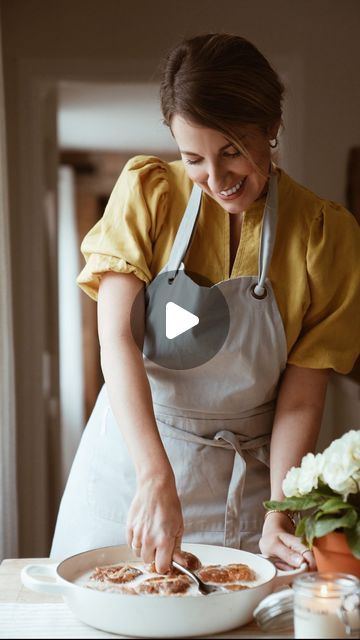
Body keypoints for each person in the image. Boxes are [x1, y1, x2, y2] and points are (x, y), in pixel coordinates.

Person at [50, 33, 360, 574]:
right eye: (194, 158)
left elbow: (302, 397)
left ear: (271, 128)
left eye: (233, 151)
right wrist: (154, 475)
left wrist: (280, 513)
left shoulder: (322, 233)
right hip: (135, 467)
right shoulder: (149, 193)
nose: (216, 180)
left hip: (251, 485)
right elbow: (115, 337)